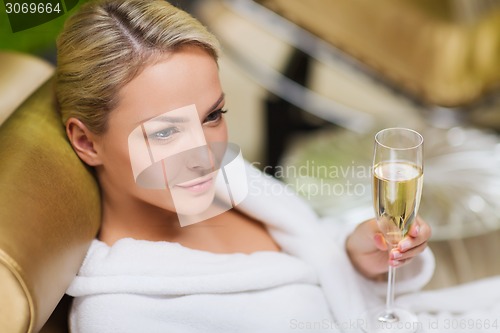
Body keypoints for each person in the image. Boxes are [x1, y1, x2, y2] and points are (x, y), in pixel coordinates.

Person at [55, 0, 434, 332]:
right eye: (167, 132)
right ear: (87, 142)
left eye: (213, 115)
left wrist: (354, 255)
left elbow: (311, 252)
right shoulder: (120, 316)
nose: (206, 155)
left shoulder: (221, 182)